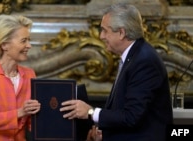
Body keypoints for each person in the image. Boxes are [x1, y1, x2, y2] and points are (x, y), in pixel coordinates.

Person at [60, 3, 173, 141]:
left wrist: (90, 112)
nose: (101, 36)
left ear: (121, 33)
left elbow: (131, 117)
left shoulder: (144, 61)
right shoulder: (134, 56)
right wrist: (105, 133)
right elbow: (122, 111)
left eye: (105, 30)